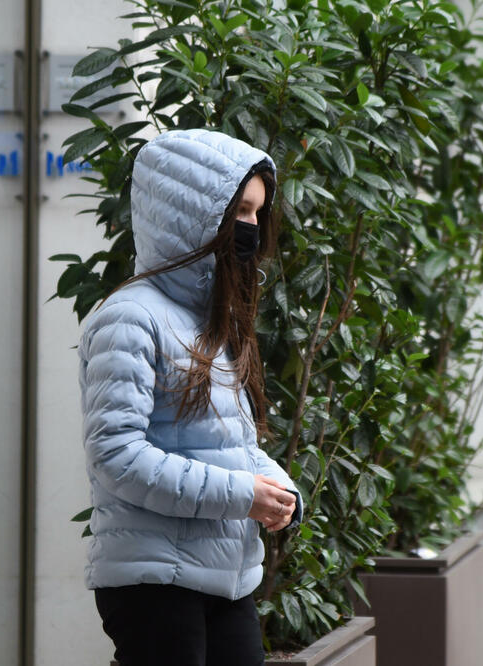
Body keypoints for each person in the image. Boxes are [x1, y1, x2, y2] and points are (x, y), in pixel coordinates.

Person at [79, 129, 303, 665]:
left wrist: (280, 492)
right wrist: (240, 494)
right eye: (241, 211)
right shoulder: (130, 318)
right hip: (155, 580)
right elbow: (116, 455)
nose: (250, 227)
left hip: (222, 575)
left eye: (257, 214)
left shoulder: (210, 322)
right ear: (196, 214)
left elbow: (227, 443)